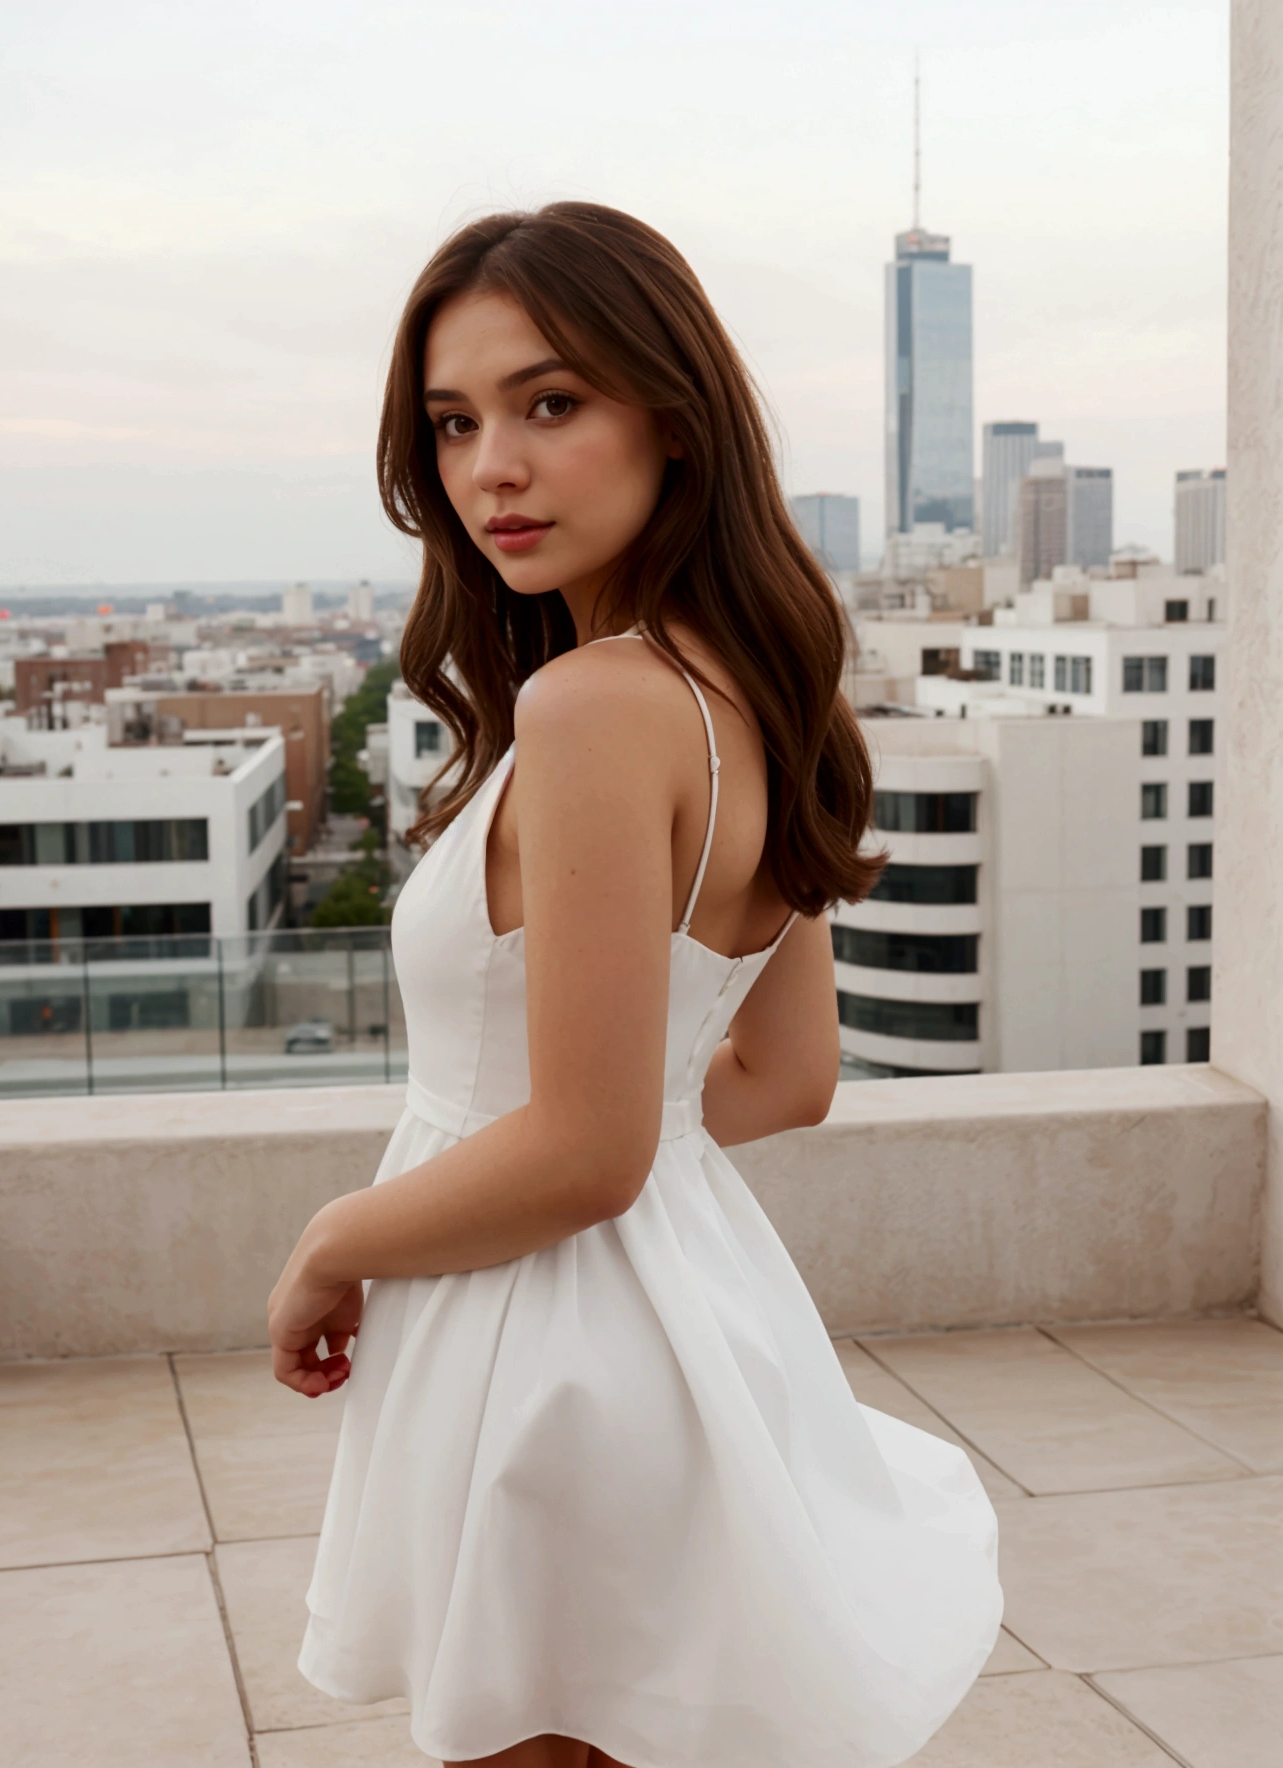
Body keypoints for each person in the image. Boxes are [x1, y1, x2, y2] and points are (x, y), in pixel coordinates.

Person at [269, 202, 1002, 1768]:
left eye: (551, 403)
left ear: (674, 417)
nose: (492, 471)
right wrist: (605, 1161)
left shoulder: (597, 704)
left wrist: (334, 1240)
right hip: (678, 1330)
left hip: (541, 1361)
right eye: (453, 424)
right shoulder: (755, 689)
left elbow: (588, 1149)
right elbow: (782, 1077)